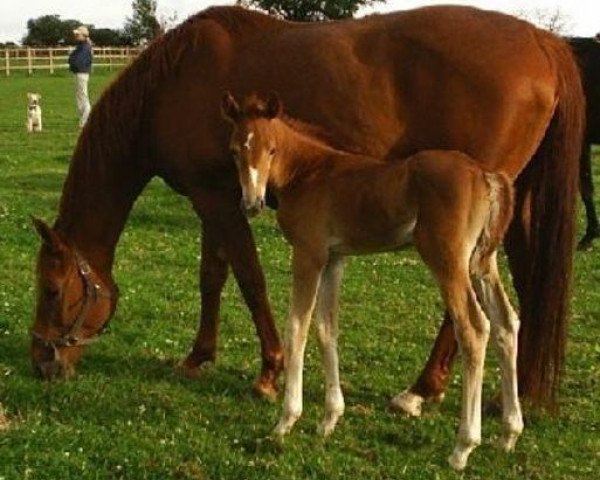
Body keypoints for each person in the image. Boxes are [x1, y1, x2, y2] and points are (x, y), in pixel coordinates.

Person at [68, 26, 93, 128]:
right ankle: (84, 119)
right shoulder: (81, 46)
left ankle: (86, 119)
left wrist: (71, 60)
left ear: (84, 35)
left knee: (83, 96)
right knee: (80, 96)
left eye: (78, 34)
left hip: (81, 73)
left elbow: (77, 61)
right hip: (79, 73)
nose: (76, 36)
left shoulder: (84, 47)